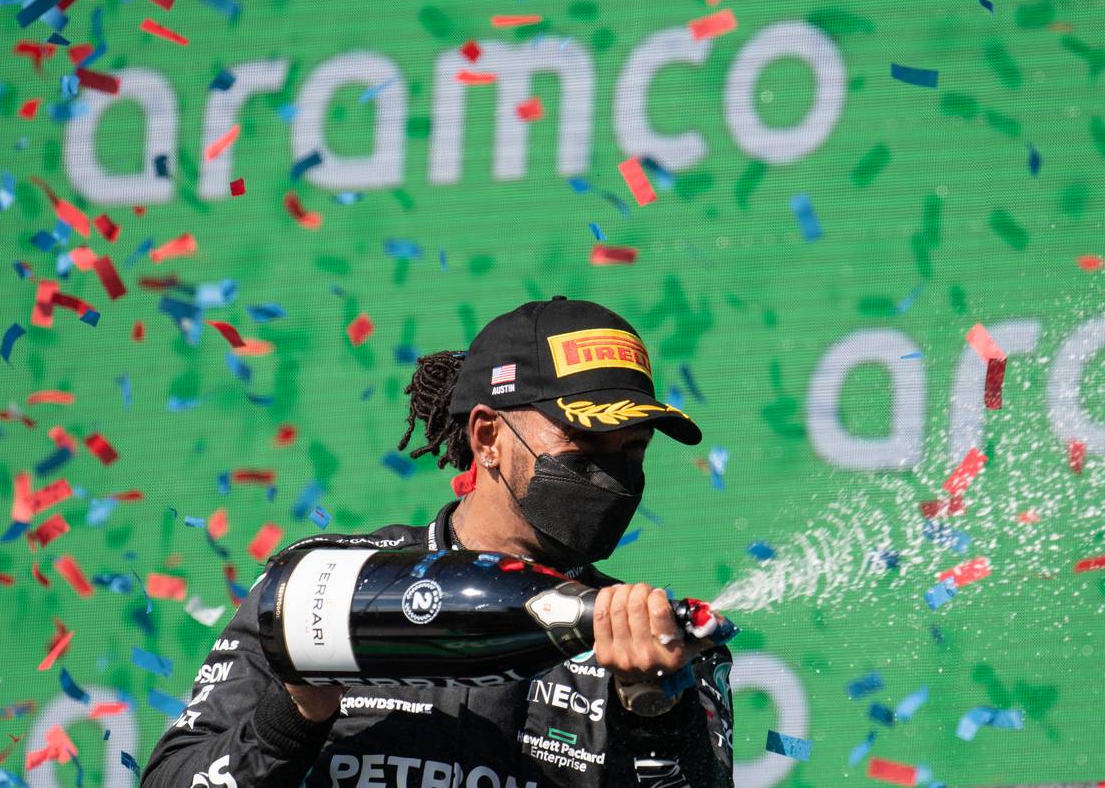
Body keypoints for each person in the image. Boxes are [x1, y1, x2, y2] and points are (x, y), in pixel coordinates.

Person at [142, 297, 735, 788]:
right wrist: (298, 709)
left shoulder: (664, 641)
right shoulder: (321, 582)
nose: (613, 476)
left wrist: (658, 718)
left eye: (633, 451)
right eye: (587, 446)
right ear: (488, 437)